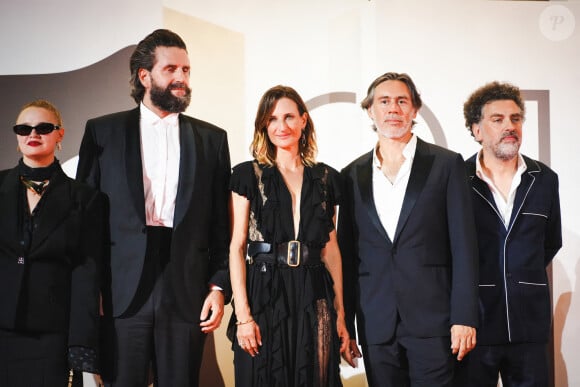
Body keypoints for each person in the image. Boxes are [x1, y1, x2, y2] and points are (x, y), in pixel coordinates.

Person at [76, 29, 231, 386]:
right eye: (171, 69)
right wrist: (91, 289)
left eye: (187, 70)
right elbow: (86, 220)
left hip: (186, 286)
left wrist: (218, 286)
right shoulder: (103, 132)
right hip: (121, 288)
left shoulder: (213, 139)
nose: (182, 79)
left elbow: (221, 224)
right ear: (144, 76)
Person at [338, 72, 479, 387]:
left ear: (415, 110)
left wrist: (464, 316)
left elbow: (464, 247)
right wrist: (345, 325)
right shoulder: (350, 175)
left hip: (435, 322)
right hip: (376, 323)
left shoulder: (446, 164)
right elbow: (346, 256)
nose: (393, 109)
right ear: (370, 111)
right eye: (384, 101)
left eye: (402, 101)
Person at [228, 85, 353, 387]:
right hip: (264, 291)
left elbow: (331, 249)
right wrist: (243, 316)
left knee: (316, 377)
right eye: (272, 119)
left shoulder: (326, 178)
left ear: (304, 120)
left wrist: (341, 316)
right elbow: (237, 246)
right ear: (263, 125)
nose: (281, 126)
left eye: (288, 117)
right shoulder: (248, 175)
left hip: (314, 292)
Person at [453, 82, 562, 386]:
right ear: (476, 130)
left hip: (530, 325)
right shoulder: (456, 180)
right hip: (475, 325)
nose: (509, 126)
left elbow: (550, 242)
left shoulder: (545, 179)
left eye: (515, 119)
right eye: (497, 120)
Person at [0, 99, 106, 386]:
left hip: (50, 332)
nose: (32, 134)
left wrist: (81, 343)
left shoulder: (85, 198)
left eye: (43, 127)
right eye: (24, 128)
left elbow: (87, 273)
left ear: (60, 134)